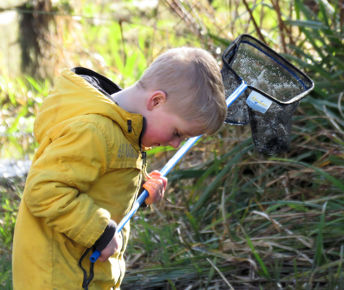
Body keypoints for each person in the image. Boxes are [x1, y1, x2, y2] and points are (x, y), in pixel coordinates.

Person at [12, 47, 227, 289]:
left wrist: (140, 191)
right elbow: (44, 189)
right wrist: (99, 231)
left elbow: (101, 182)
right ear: (156, 101)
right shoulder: (94, 131)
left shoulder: (124, 132)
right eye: (177, 133)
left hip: (84, 272)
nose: (175, 144)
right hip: (57, 276)